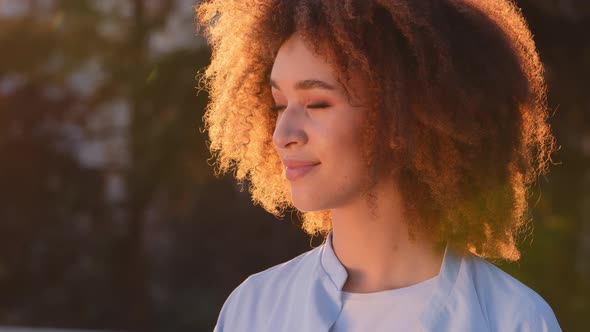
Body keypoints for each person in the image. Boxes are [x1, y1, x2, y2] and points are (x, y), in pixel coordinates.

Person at [196, 0, 561, 331]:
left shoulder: (514, 320)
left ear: (406, 113)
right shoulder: (253, 311)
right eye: (279, 104)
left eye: (317, 103)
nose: (283, 134)